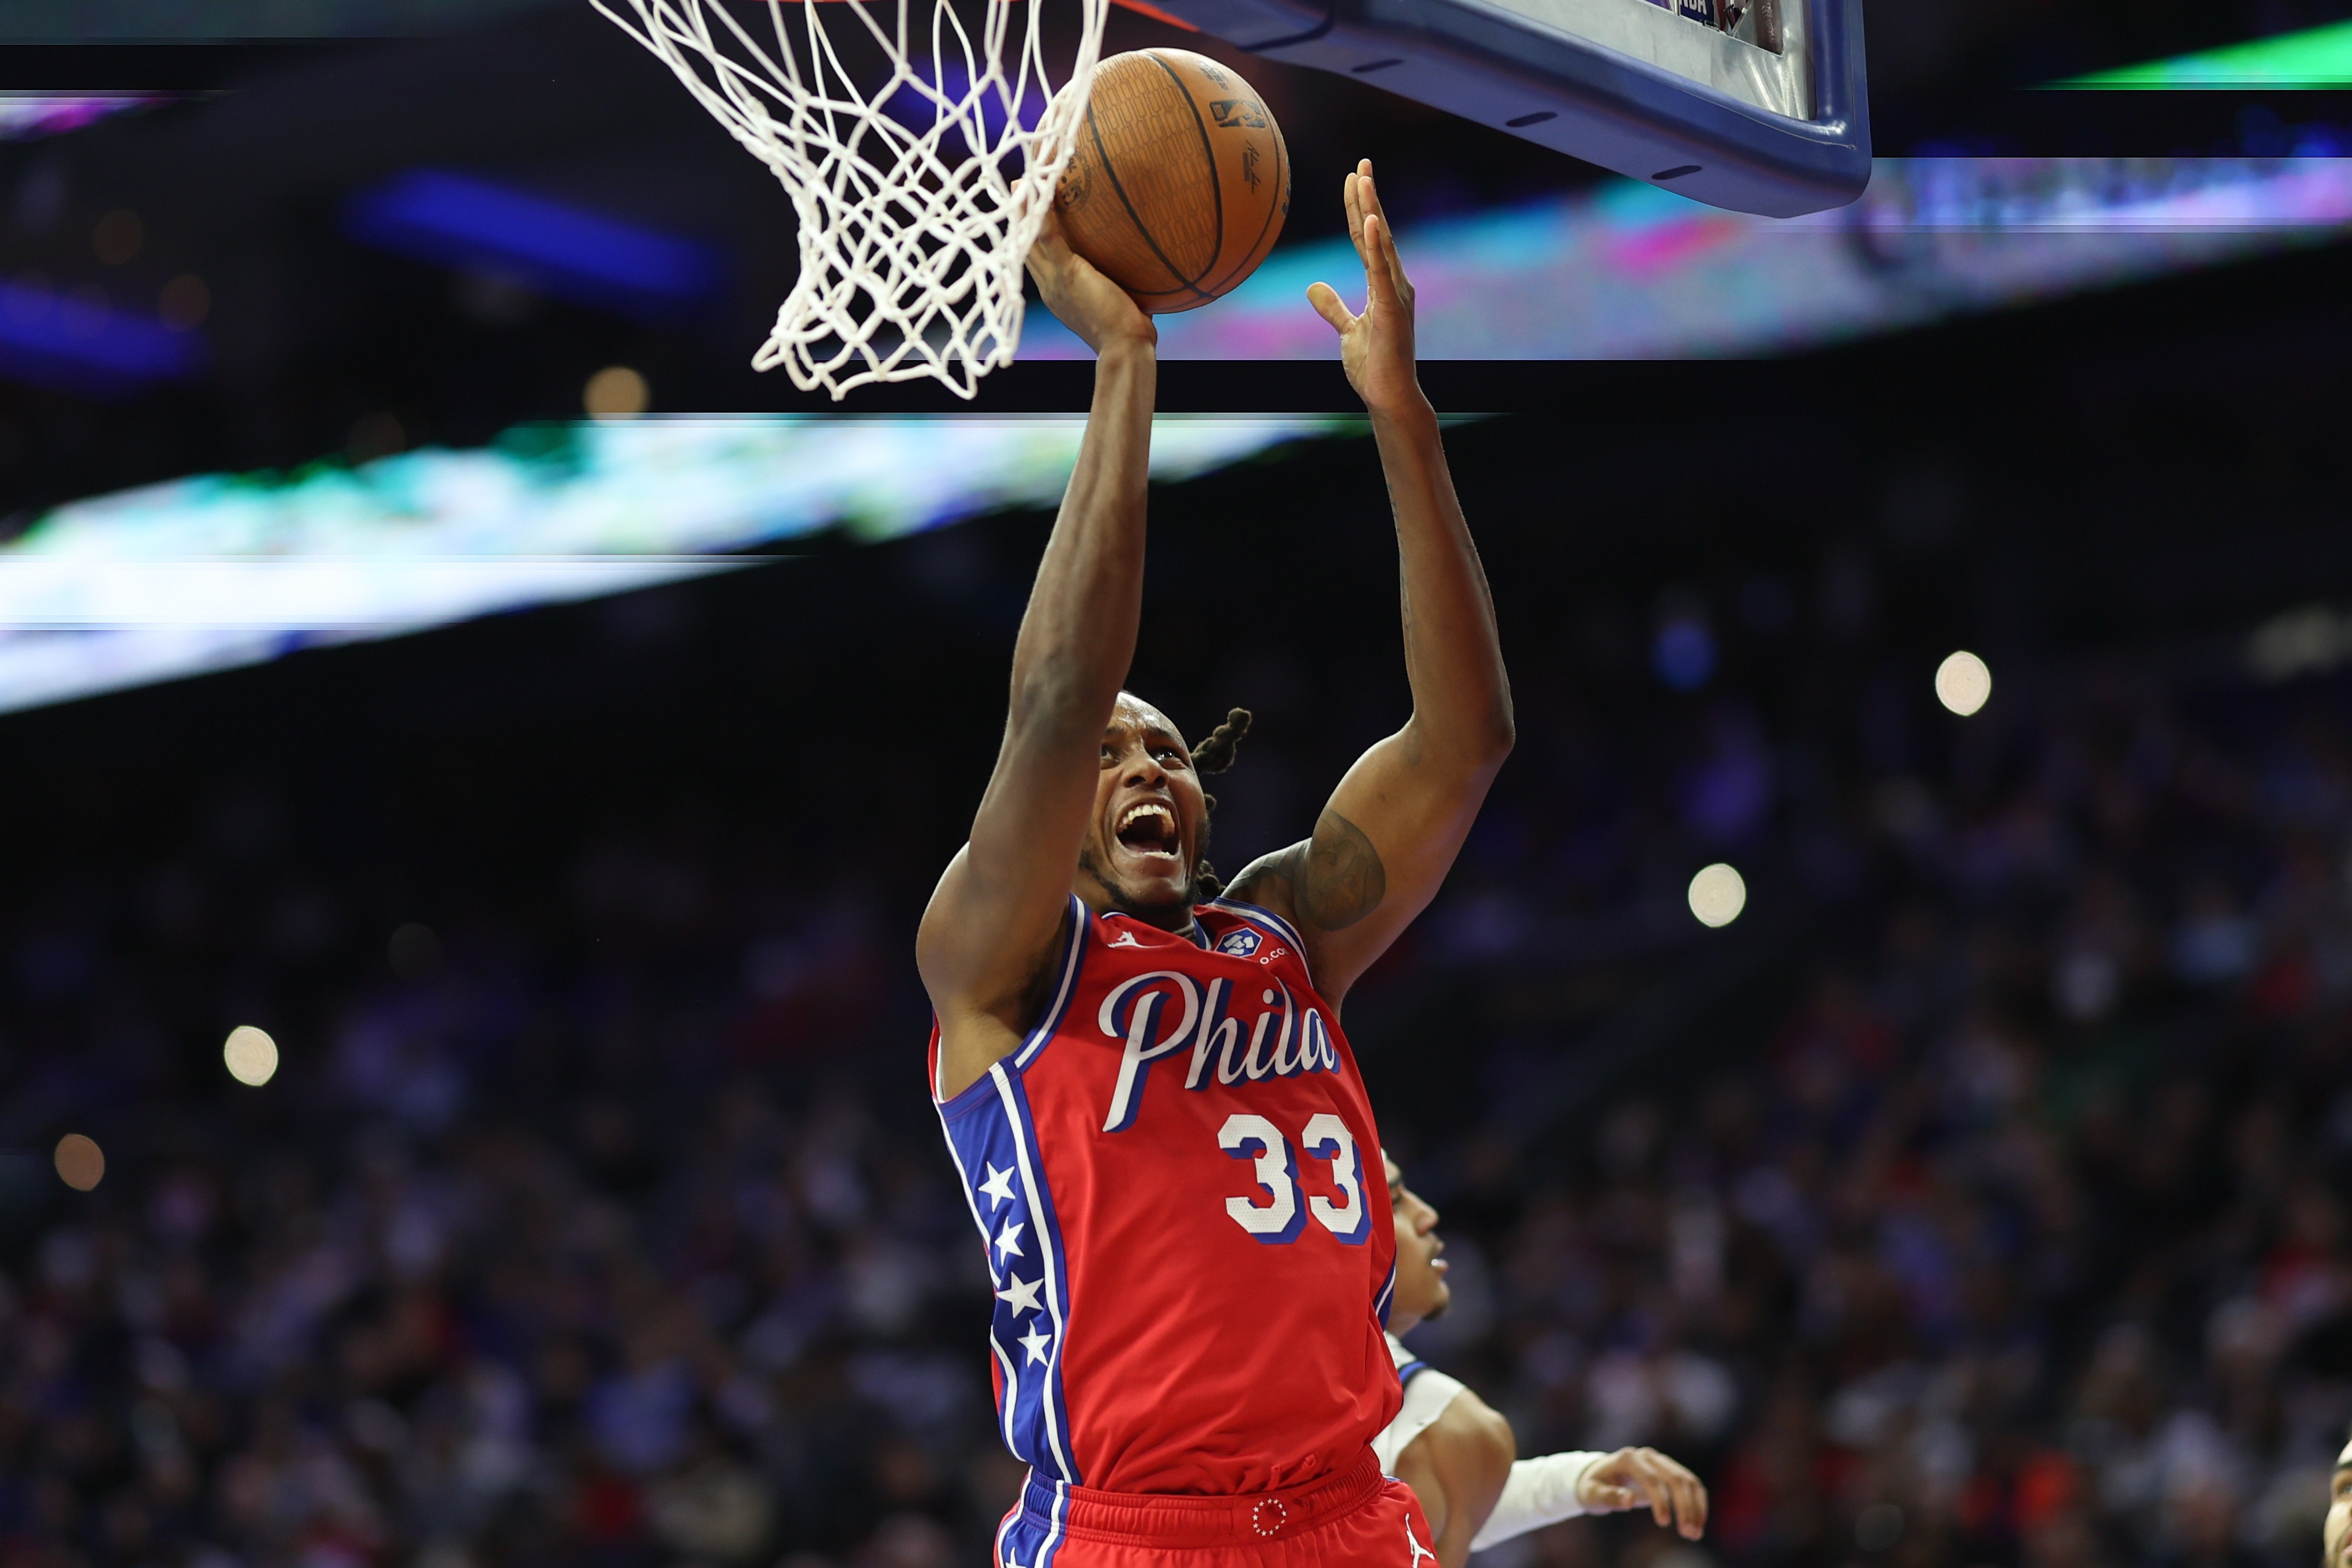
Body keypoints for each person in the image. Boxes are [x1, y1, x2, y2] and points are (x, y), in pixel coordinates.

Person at [916, 160, 1515, 1568]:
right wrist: (1125, 361)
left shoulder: (1285, 933)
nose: (1143, 766)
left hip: (1343, 1514)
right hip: (1134, 1533)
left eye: (1169, 753)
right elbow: (1058, 694)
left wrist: (1401, 416)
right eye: (1111, 756)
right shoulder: (996, 966)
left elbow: (1466, 738)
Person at [1377, 1156, 1710, 1567]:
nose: (1427, 1214)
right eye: (1395, 1200)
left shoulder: (1435, 1421)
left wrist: (1570, 1483)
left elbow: (1436, 1505)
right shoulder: (1442, 1424)